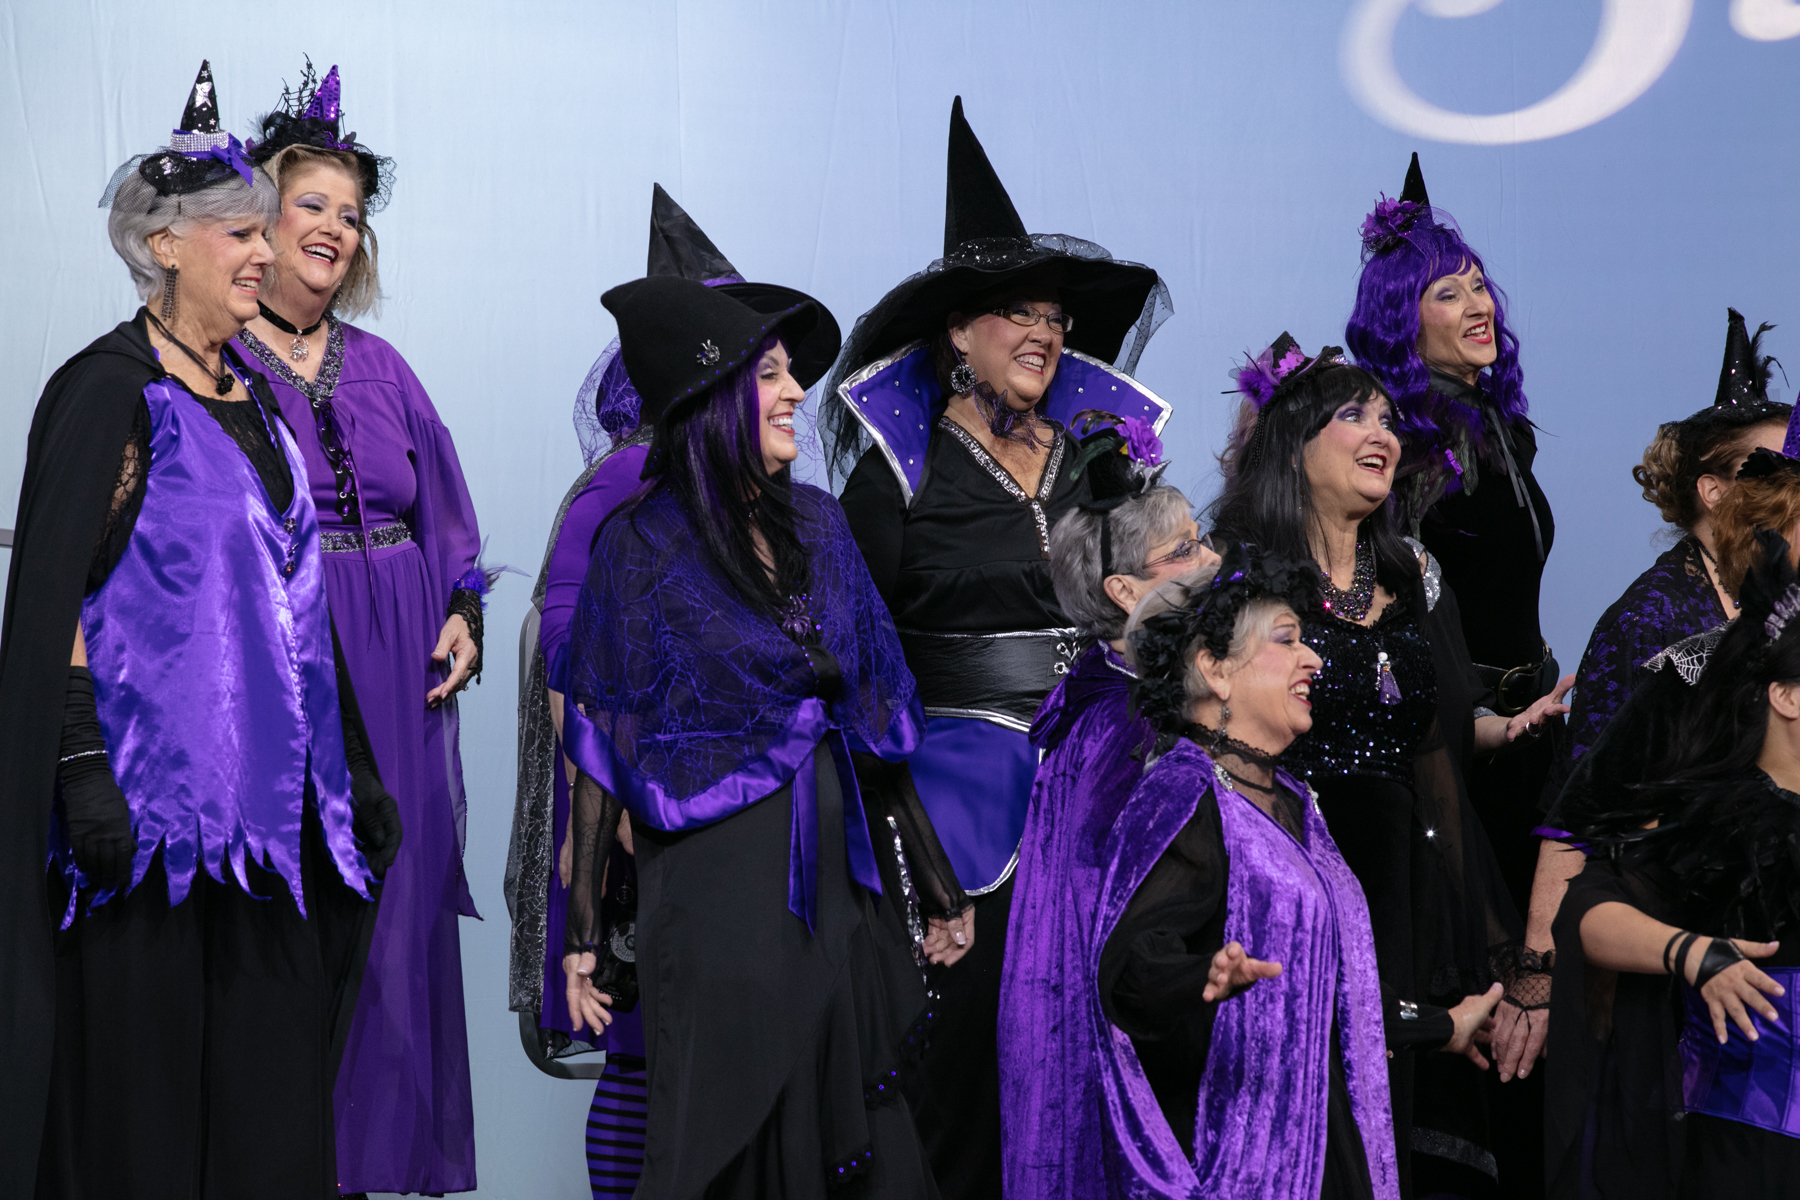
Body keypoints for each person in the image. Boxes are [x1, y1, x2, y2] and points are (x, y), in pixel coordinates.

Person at [0, 63, 401, 1197]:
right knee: (146, 1133)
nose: (265, 254)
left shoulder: (260, 400)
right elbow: (59, 599)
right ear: (165, 245)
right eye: (241, 233)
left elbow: (293, 601)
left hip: (270, 845)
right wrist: (81, 772)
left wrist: (357, 767)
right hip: (150, 848)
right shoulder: (108, 393)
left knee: (269, 1134)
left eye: (263, 232)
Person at [820, 95, 1173, 1200]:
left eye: (1056, 316)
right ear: (956, 334)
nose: (1044, 331)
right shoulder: (897, 476)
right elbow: (852, 675)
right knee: (965, 1081)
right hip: (959, 810)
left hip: (1102, 787)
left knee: (1106, 1059)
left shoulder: (1101, 466)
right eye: (1015, 311)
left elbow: (1166, 606)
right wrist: (917, 858)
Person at [559, 274, 970, 1198]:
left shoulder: (819, 524)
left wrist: (938, 886)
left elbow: (869, 721)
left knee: (856, 1133)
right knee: (726, 1135)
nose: (795, 394)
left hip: (833, 886)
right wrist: (583, 932)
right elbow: (601, 742)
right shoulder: (639, 544)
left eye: (792, 374)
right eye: (771, 375)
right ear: (710, 401)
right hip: (714, 893)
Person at [506, 183, 837, 1198]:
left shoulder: (766, 500)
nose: (778, 380)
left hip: (746, 815)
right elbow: (571, 657)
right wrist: (606, 820)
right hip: (654, 814)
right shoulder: (625, 483)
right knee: (651, 1054)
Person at [1208, 334, 1548, 1194]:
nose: (1383, 434)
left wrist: (1500, 948)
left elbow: (1435, 762)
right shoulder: (1241, 581)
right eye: (1354, 415)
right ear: (1294, 444)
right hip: (1296, 884)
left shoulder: (1412, 576)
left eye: (1389, 419)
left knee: (1410, 1131)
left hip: (1407, 889)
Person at [230, 61, 485, 1195]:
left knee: (397, 923)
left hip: (402, 680)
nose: (335, 226)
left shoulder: (385, 369)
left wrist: (465, 612)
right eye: (313, 204)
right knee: (294, 918)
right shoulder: (216, 365)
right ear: (261, 220)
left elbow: (451, 524)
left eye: (351, 212)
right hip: (287, 673)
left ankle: (370, 1166)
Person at [1347, 156, 1561, 1192]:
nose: (1478, 304)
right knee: (1487, 1007)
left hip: (1531, 739)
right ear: (1403, 321)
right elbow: (1403, 616)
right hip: (1458, 760)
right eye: (1446, 291)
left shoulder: (1498, 428)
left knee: (1538, 1008)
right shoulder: (1411, 451)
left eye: (1478, 283)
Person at [1509, 311, 1792, 1089]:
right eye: (1775, 470)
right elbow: (1578, 813)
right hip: (1660, 956)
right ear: (1713, 489)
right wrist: (1537, 978)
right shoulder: (1654, 621)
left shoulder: (1775, 609)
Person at [1086, 544, 1399, 1198]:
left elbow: (1326, 997)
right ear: (1215, 670)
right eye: (1287, 640)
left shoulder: (1293, 800)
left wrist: (1440, 1025)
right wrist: (1203, 972)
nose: (1314, 659)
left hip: (1326, 1142)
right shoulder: (1184, 794)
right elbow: (1131, 966)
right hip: (1242, 1157)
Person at [997, 416, 1214, 1198]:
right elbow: (1098, 911)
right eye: (1185, 551)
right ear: (1124, 591)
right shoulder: (1115, 725)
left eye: (1203, 541)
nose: (1213, 561)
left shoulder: (1134, 705)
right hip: (1128, 1030)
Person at [1547, 531, 1800, 1199]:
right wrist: (1693, 953)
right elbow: (1589, 914)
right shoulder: (1719, 822)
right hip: (1749, 1154)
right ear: (1787, 697)